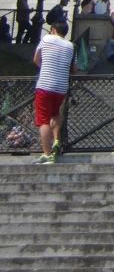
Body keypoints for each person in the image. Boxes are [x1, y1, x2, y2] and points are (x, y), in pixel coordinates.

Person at [33, 19, 75, 164]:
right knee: (55, 113)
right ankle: (56, 140)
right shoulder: (70, 45)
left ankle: (47, 153)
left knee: (43, 119)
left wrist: (44, 67)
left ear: (53, 29)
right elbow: (72, 67)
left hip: (45, 85)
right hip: (61, 87)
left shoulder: (46, 39)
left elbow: (36, 60)